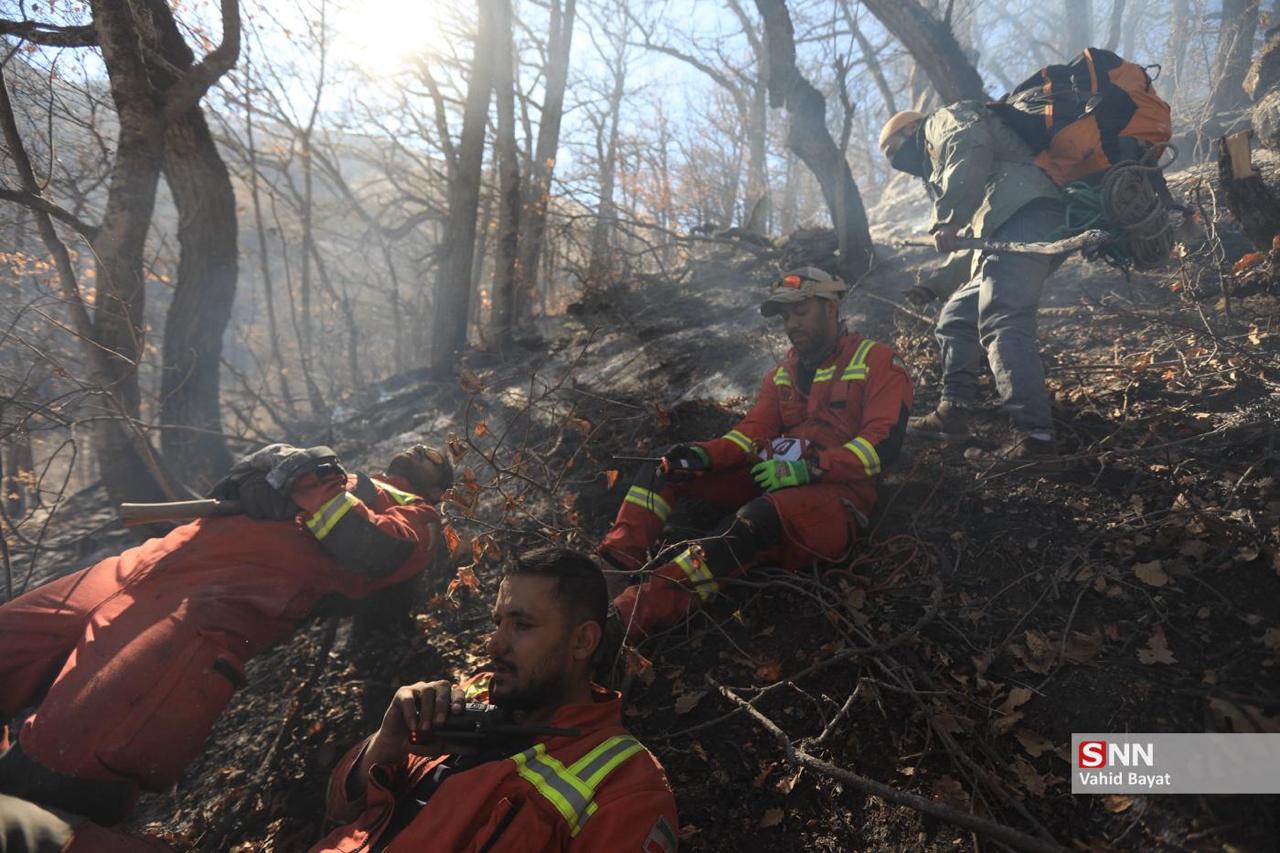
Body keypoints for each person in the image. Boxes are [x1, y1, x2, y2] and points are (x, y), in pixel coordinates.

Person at [0, 442, 452, 834]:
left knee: (62, 770)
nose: (421, 451)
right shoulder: (348, 479)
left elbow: (373, 551)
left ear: (437, 491)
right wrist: (251, 481)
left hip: (197, 609)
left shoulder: (421, 517)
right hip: (142, 565)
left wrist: (310, 485)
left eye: (435, 457)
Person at [597, 268, 914, 641]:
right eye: (785, 316)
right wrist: (703, 456)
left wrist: (812, 469)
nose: (791, 324)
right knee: (668, 465)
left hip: (840, 499)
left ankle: (629, 617)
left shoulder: (878, 361)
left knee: (749, 522)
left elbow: (883, 445)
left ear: (831, 307)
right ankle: (608, 571)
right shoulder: (783, 373)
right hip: (780, 480)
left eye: (801, 311)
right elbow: (752, 435)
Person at [311, 547, 678, 853]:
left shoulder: (626, 784)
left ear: (582, 642)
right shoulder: (466, 694)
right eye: (497, 622)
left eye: (522, 625)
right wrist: (384, 743)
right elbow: (341, 810)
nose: (493, 644)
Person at [879, 104, 1067, 465]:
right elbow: (978, 241)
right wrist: (935, 285)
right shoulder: (973, 183)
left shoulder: (943, 120)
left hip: (1029, 213)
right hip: (1005, 225)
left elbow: (969, 147)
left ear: (911, 129)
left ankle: (1037, 439)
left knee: (1003, 318)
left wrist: (948, 216)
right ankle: (954, 414)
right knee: (956, 317)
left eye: (895, 149)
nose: (896, 159)